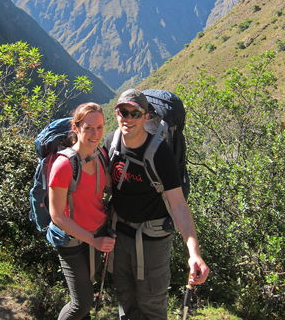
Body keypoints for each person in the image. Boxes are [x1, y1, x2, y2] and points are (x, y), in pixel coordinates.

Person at [103, 89, 210, 320]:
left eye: (135, 113)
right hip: (119, 237)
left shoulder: (160, 153)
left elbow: (179, 205)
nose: (128, 118)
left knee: (151, 306)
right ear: (116, 112)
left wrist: (194, 253)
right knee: (125, 300)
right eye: (123, 112)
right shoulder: (111, 142)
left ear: (146, 116)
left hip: (152, 240)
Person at [48, 102, 116, 320]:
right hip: (73, 243)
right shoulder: (64, 165)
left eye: (99, 127)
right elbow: (57, 215)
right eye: (88, 128)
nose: (95, 134)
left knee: (85, 296)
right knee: (82, 303)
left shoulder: (102, 157)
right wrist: (92, 240)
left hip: (97, 236)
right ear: (76, 128)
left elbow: (106, 190)